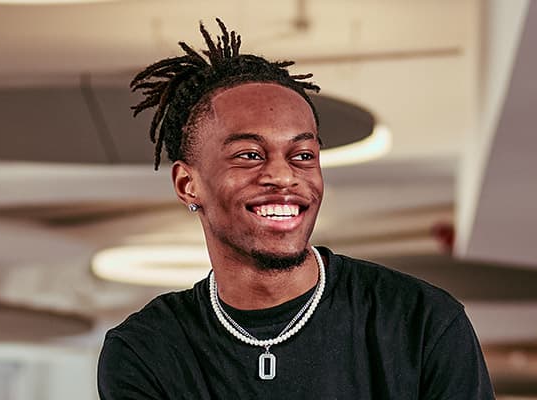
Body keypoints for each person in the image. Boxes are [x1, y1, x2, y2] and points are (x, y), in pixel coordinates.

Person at [96, 20, 495, 399]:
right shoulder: (146, 351)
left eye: (303, 155)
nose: (283, 176)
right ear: (188, 184)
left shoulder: (421, 322)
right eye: (250, 155)